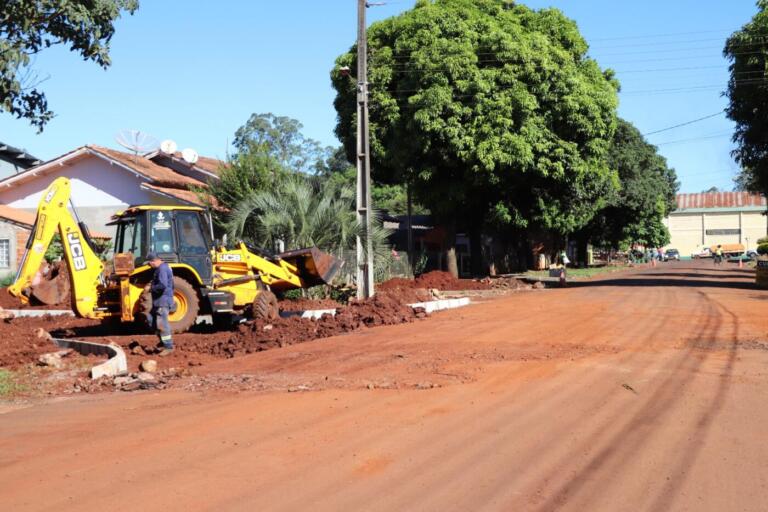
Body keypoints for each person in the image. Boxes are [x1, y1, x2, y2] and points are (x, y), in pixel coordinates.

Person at [146, 252, 175, 356]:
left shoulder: (162, 269)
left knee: (162, 323)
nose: (149, 265)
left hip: (163, 300)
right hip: (159, 301)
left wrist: (151, 288)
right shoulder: (161, 268)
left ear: (154, 261)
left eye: (150, 263)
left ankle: (168, 346)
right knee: (150, 319)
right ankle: (163, 341)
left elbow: (162, 285)